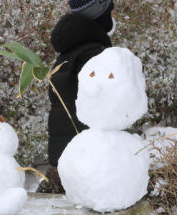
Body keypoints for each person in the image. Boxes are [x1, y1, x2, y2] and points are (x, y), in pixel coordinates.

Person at [36, 0, 115, 193]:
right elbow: (106, 109)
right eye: (111, 12)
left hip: (66, 157)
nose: (114, 17)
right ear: (100, 13)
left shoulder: (70, 51)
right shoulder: (93, 54)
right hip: (85, 162)